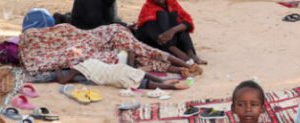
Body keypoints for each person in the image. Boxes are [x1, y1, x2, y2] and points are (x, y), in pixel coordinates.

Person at [18, 23, 192, 74]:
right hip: (103, 40)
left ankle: (186, 66)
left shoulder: (121, 40)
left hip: (107, 37)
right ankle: (184, 67)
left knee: (144, 53)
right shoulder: (119, 36)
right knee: (142, 57)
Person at [135, 0, 206, 65]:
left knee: (178, 20)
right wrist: (183, 56)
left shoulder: (171, 3)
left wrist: (173, 30)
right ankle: (183, 56)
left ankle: (191, 54)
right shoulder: (148, 8)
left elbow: (188, 22)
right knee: (162, 15)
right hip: (154, 42)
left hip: (170, 37)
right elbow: (159, 37)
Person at [55, 57, 190, 91]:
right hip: (119, 68)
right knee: (139, 73)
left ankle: (172, 87)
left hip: (116, 77)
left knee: (143, 84)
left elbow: (62, 81)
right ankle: (162, 82)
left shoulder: (78, 68)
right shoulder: (92, 61)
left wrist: (57, 69)